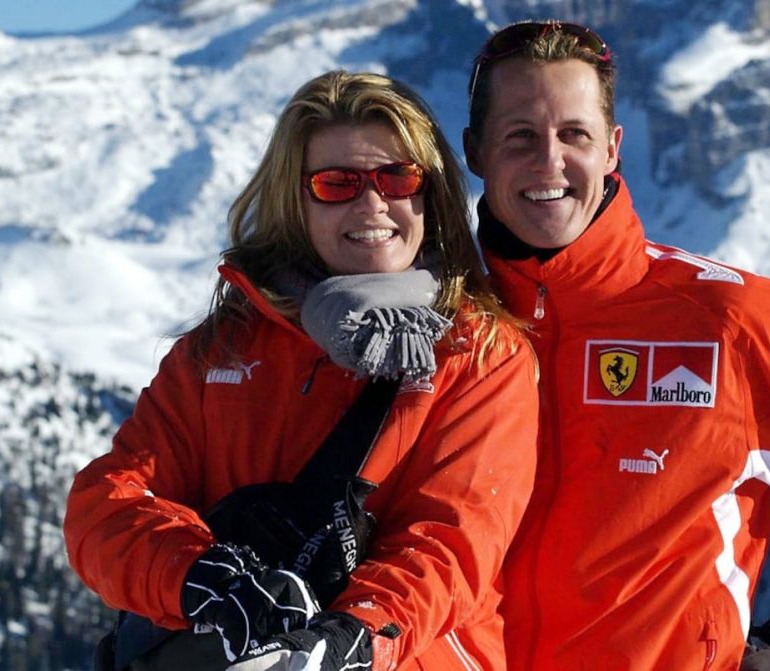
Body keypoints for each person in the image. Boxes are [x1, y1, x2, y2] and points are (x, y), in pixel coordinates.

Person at [461, 20, 770, 670]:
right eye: (520, 135)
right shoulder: (453, 325)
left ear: (612, 148)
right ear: (475, 151)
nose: (550, 161)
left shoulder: (731, 317)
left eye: (575, 134)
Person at [64, 70, 539, 671]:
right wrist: (200, 577)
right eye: (337, 183)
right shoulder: (222, 351)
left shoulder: (479, 353)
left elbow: (451, 541)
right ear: (298, 201)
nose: (373, 204)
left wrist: (352, 636)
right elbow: (109, 504)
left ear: (429, 194)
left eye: (397, 178)